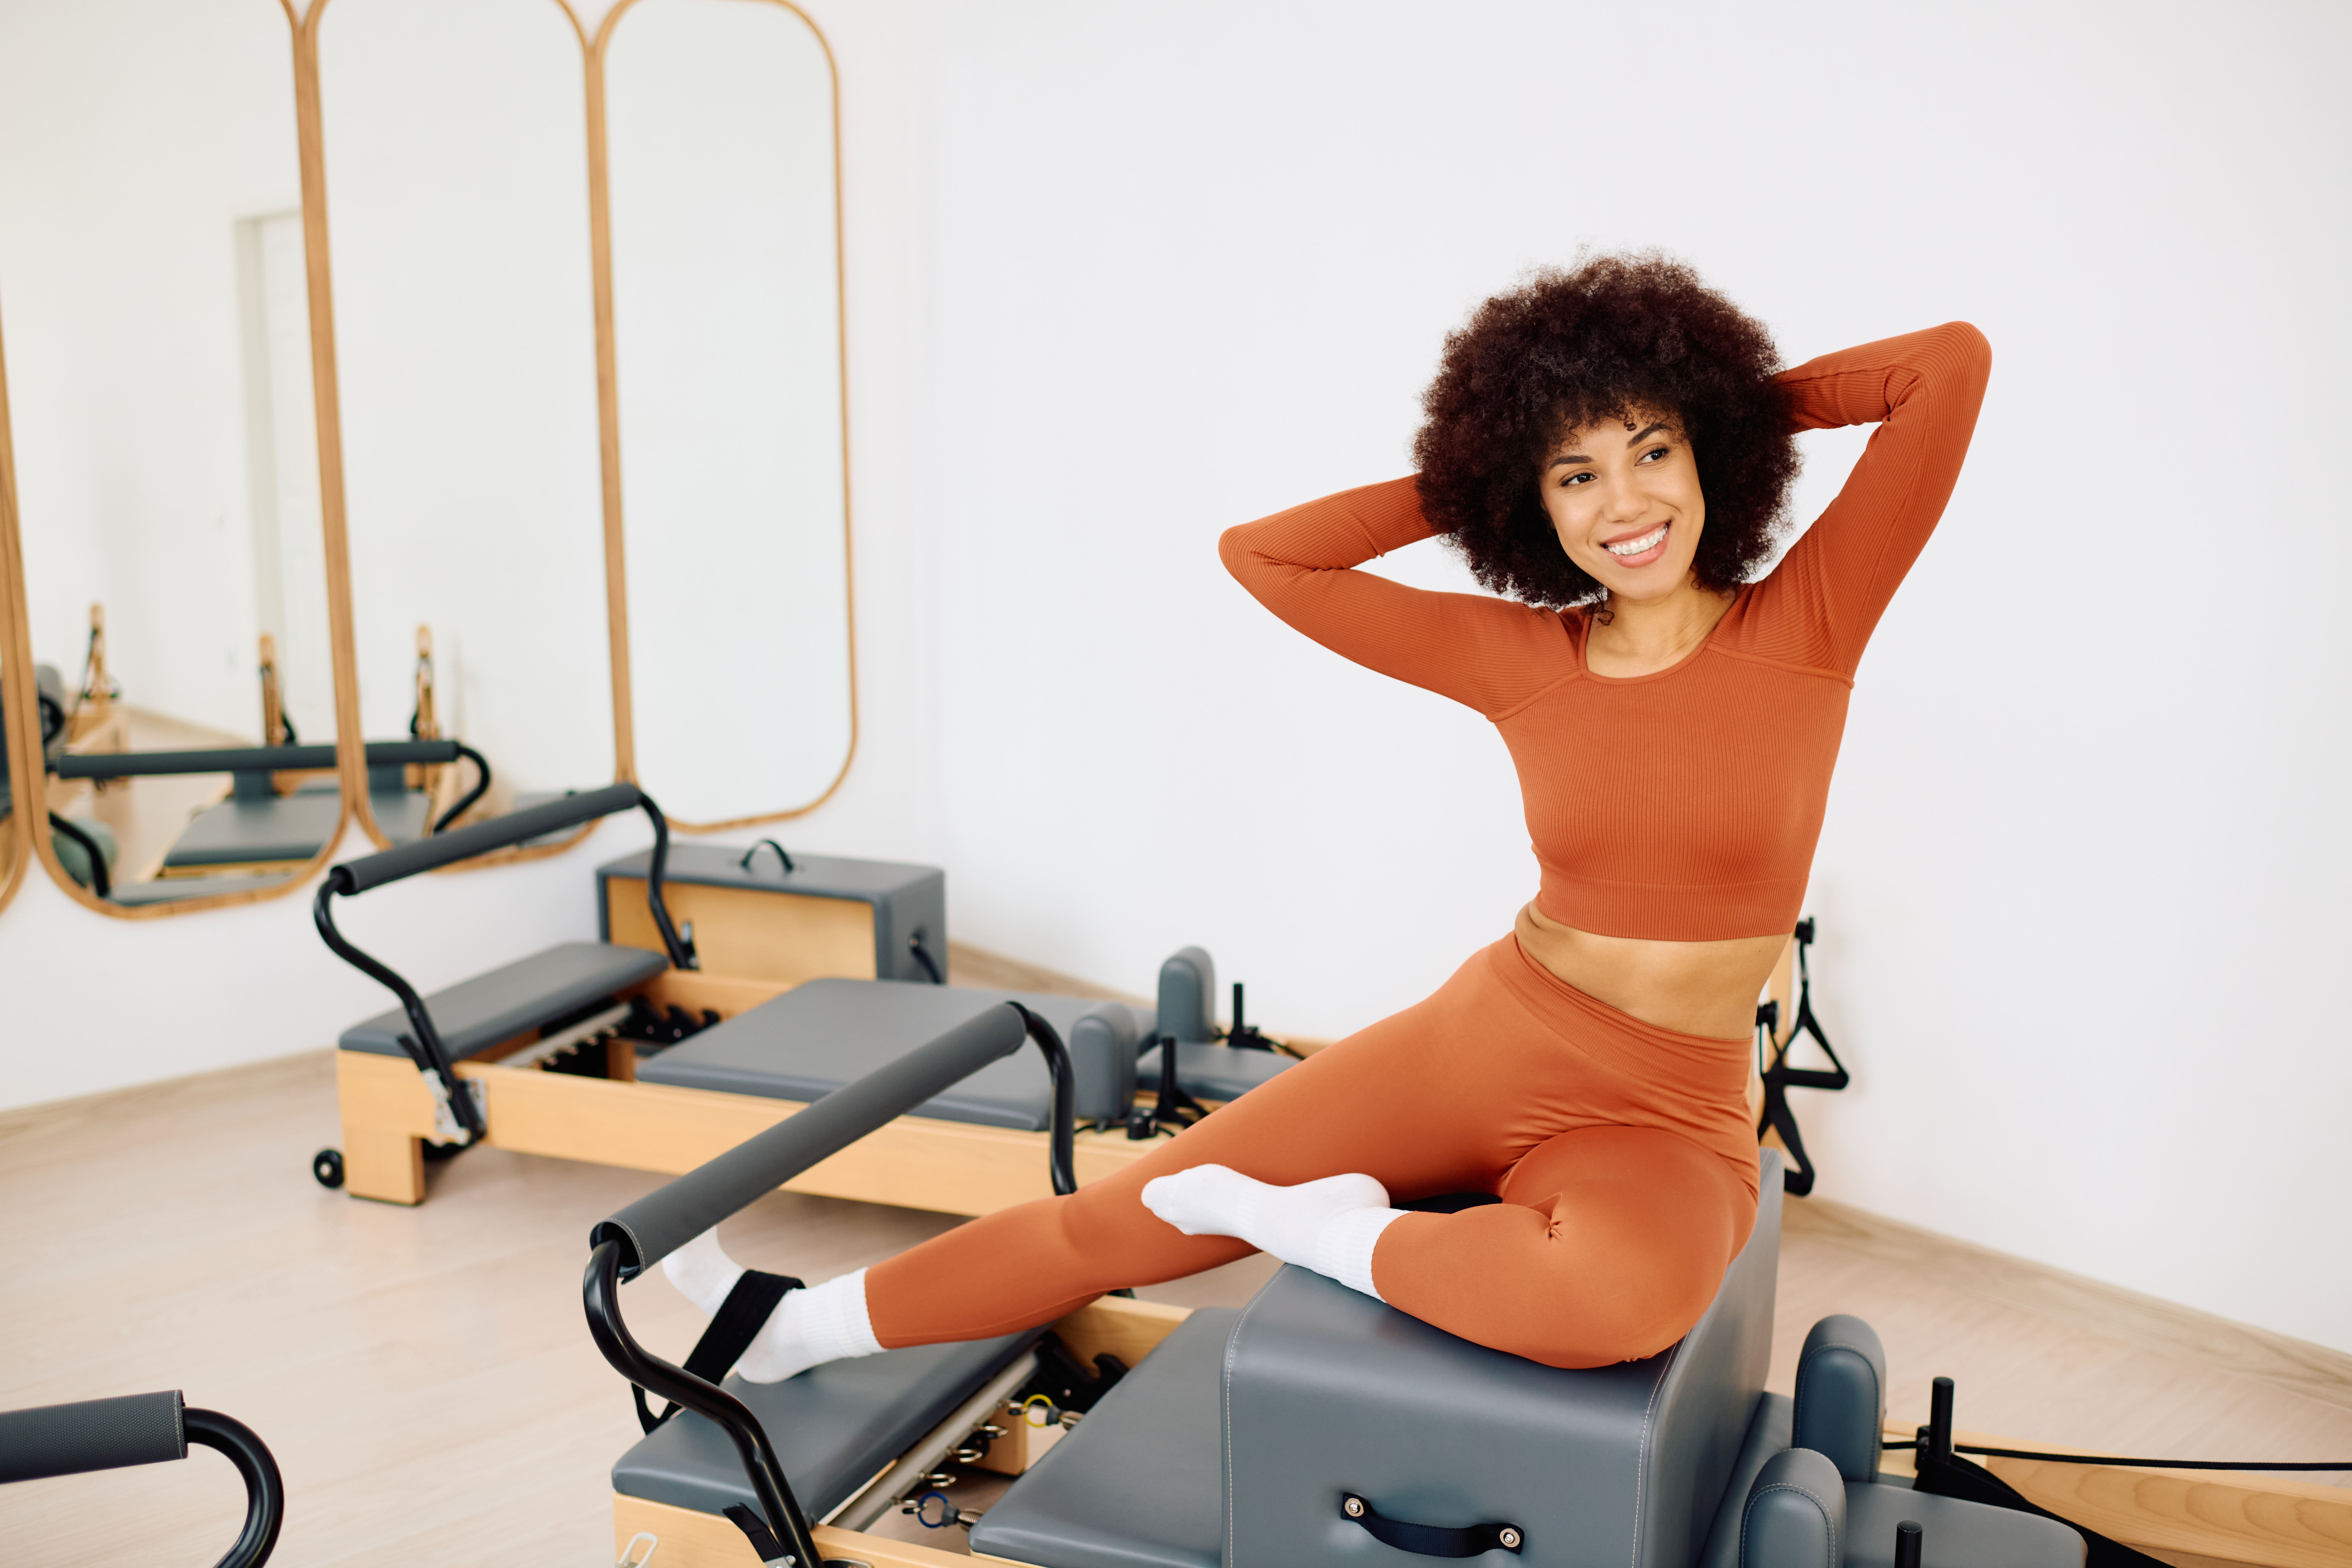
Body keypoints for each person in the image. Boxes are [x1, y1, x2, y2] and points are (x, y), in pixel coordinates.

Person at [663, 252, 1991, 1379]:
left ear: (1710, 451)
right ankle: (792, 1326)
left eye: (1655, 451)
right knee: (1137, 1214)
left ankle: (1314, 1229)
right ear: (1537, 502)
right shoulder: (1525, 655)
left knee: (1621, 1308)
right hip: (1500, 1031)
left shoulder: (1811, 621)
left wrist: (1711, 401)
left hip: (1666, 1108)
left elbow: (1947, 364)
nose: (1628, 501)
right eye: (1577, 475)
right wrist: (1488, 469)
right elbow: (1267, 554)